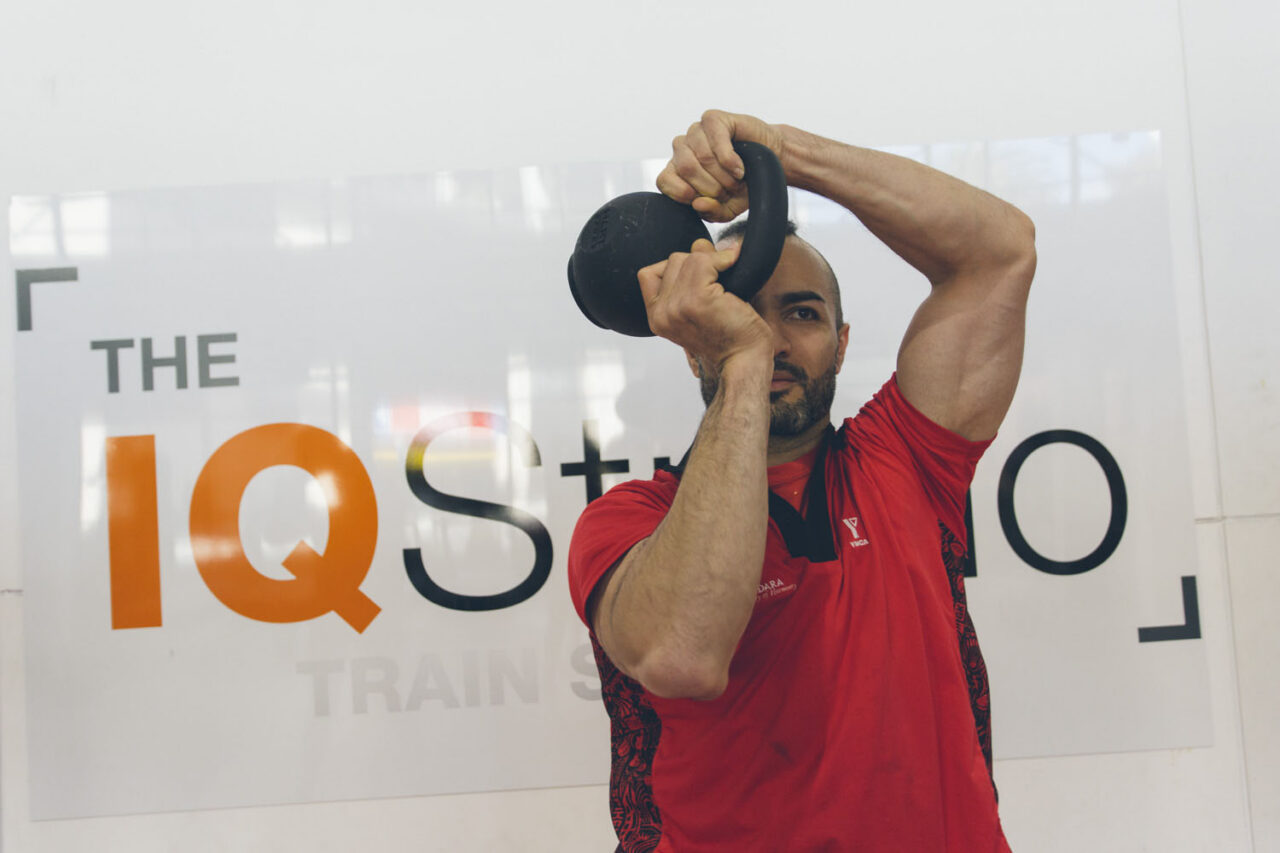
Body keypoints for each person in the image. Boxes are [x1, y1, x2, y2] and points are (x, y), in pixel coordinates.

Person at [567, 109, 1036, 852]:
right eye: (743, 311)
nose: (775, 338)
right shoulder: (630, 522)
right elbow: (682, 653)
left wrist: (782, 158)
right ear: (694, 346)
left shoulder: (906, 460)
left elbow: (1000, 252)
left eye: (803, 313)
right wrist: (744, 364)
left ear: (843, 344)